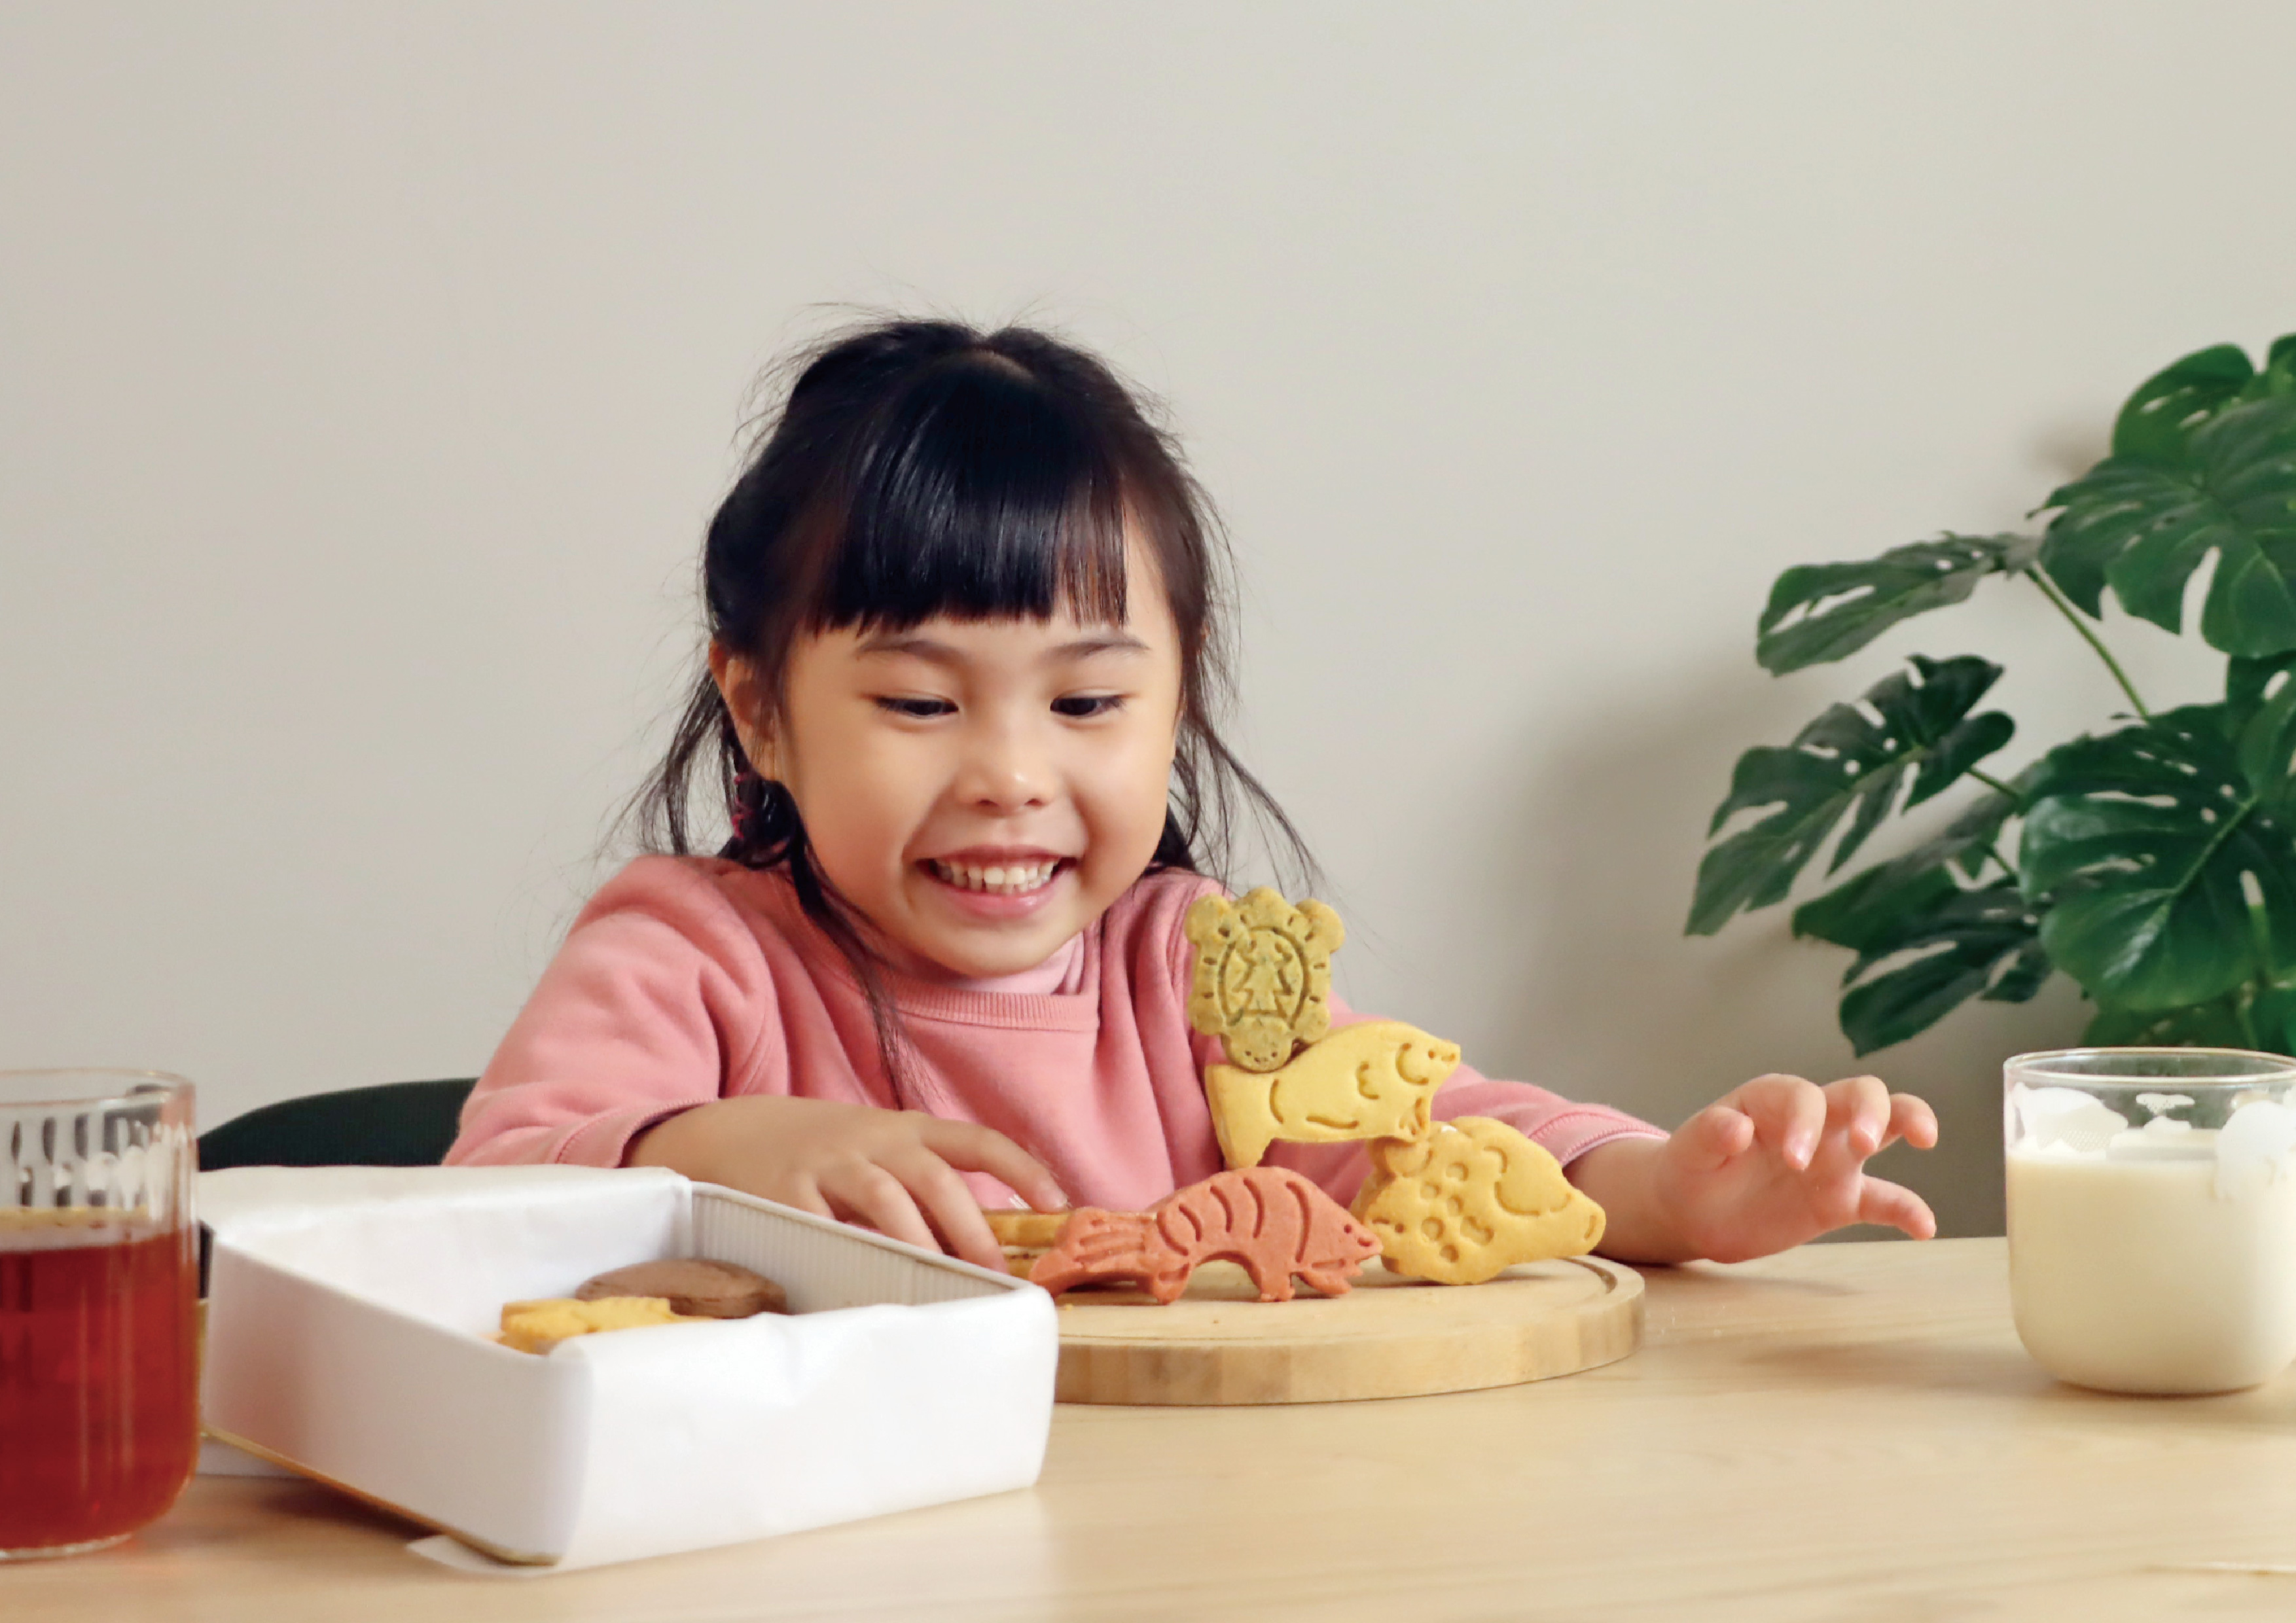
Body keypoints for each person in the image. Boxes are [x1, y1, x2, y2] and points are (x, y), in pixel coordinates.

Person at [447, 317, 1938, 1272]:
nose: (1010, 776)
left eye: (1088, 702)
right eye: (917, 702)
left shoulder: (1192, 967)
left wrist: (1674, 1191)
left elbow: (1437, 1138)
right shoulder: (692, 955)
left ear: (1178, 695)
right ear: (760, 708)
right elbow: (485, 1192)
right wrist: (711, 1146)